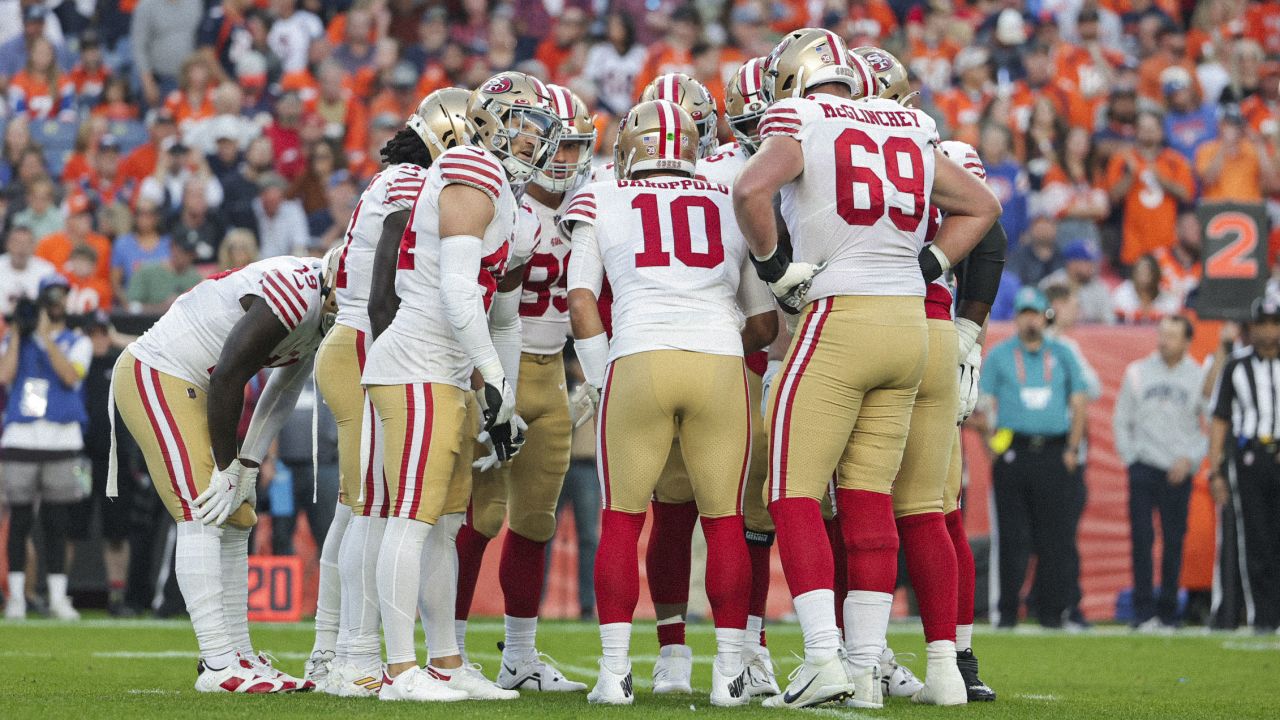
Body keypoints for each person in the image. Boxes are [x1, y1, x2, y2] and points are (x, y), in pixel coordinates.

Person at [733, 28, 999, 709]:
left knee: (793, 492)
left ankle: (825, 660)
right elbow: (982, 208)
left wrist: (774, 268)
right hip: (911, 325)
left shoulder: (802, 116)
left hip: (839, 317)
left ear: (794, 79)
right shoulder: (913, 122)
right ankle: (864, 674)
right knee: (869, 497)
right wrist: (927, 265)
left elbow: (750, 190)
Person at [564, 98, 776, 707]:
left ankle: (614, 674)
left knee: (623, 520)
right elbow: (762, 324)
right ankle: (730, 676)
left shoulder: (603, 195)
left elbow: (581, 302)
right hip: (717, 362)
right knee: (726, 521)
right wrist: (711, 337)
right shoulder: (728, 199)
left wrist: (603, 379)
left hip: (638, 357)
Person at [359, 71, 559, 703]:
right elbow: (452, 288)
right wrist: (494, 382)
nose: (532, 142)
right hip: (417, 361)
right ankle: (398, 671)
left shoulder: (515, 203)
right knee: (413, 520)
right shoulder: (472, 166)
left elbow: (502, 313)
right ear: (489, 120)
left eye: (540, 133)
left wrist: (496, 392)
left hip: (446, 372)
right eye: (522, 127)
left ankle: (445, 661)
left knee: (443, 524)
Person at [111, 251, 340, 692]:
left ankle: (239, 655)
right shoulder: (296, 291)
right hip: (159, 371)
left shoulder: (324, 308)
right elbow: (230, 375)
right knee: (202, 510)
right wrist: (226, 467)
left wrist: (248, 468)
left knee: (237, 515)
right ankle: (218, 663)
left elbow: (281, 390)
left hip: (198, 384)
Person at [453, 84, 596, 695]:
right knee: (477, 516)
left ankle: (519, 653)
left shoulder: (592, 206)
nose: (563, 159)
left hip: (552, 376)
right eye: (554, 145)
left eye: (574, 147)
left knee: (536, 523)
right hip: (492, 373)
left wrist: (594, 372)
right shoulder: (498, 203)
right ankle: (449, 651)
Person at [977, 287, 1090, 629]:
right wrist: (991, 450)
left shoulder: (1063, 354)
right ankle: (1007, 613)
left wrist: (1072, 448)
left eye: (1035, 313)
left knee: (1054, 536)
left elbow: (1080, 401)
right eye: (1024, 313)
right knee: (1012, 538)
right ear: (1016, 318)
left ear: (1046, 317)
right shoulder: (999, 356)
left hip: (1054, 452)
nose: (1030, 319)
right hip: (1014, 452)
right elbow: (981, 408)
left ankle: (1052, 613)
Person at [0, 275, 92, 621]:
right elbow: (4, 376)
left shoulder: (76, 340)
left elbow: (70, 376)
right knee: (20, 520)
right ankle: (18, 599)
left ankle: (57, 597)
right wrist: (18, 336)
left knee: (57, 521)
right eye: (50, 295)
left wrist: (44, 338)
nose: (56, 301)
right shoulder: (17, 340)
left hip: (63, 439)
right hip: (22, 438)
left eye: (61, 295)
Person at [1113, 315, 1206, 631]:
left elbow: (1210, 426)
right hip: (1144, 466)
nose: (1164, 340)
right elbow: (1121, 418)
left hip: (1178, 469)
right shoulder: (1138, 371)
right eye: (1162, 334)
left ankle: (1168, 612)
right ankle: (1143, 612)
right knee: (1141, 540)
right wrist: (1131, 458)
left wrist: (1191, 459)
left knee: (1174, 541)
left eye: (1172, 335)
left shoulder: (1198, 375)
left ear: (1186, 341)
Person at [1208, 297, 1280, 634]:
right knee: (1256, 541)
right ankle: (1263, 617)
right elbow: (1220, 419)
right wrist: (1216, 469)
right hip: (1251, 458)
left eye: (1274, 323)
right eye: (1262, 324)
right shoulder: (1236, 366)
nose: (1268, 331)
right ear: (1250, 328)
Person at [66, 310, 135, 616]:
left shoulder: (121, 365)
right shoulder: (74, 367)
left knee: (117, 531)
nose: (98, 340)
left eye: (102, 332)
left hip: (114, 462)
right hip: (80, 458)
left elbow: (151, 350)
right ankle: (59, 593)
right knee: (71, 527)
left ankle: (117, 597)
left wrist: (118, 337)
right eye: (92, 333)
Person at [1105, 110, 1194, 268]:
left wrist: (1162, 180)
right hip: (1134, 246)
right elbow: (1113, 197)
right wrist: (1130, 176)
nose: (1147, 134)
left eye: (1152, 129)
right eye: (1143, 129)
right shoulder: (1122, 159)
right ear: (1136, 131)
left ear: (1161, 132)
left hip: (1168, 246)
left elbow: (1186, 194)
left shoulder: (1175, 160)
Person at [1039, 240, 1113, 324]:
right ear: (1072, 263)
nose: (1093, 266)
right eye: (1088, 262)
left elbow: (1109, 321)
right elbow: (1042, 318)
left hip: (1091, 334)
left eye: (1093, 262)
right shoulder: (1050, 284)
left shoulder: (1100, 288)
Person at [125, 235, 204, 314]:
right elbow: (132, 307)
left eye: (191, 254)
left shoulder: (195, 278)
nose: (186, 257)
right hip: (148, 323)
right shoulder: (147, 271)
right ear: (173, 249)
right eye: (183, 252)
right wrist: (162, 307)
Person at [0, 225, 54, 316]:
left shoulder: (46, 271)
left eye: (26, 243)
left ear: (34, 246)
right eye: (17, 243)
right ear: (8, 244)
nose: (22, 248)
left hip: (35, 321)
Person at [1112, 254, 1182, 323]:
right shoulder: (1122, 294)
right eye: (1140, 272)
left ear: (1158, 275)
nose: (1144, 277)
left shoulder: (1169, 298)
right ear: (1133, 274)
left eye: (1149, 273)